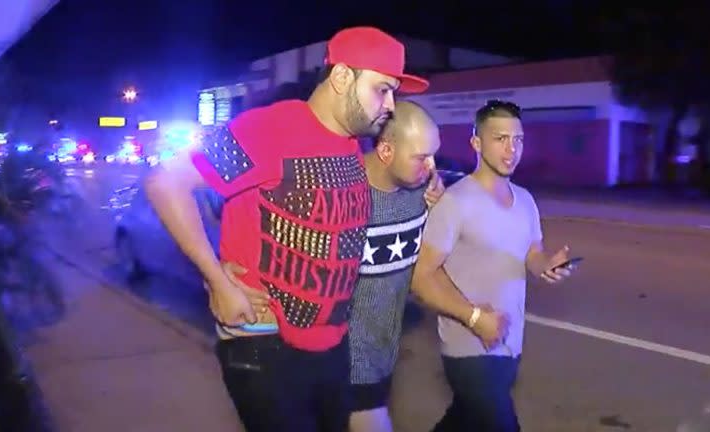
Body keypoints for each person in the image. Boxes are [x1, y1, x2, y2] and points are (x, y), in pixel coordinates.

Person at [144, 26, 428, 432]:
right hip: (266, 347)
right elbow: (167, 185)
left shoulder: (350, 146)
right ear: (343, 77)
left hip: (331, 347)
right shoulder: (267, 129)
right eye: (382, 89)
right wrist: (217, 278)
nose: (391, 105)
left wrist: (422, 185)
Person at [411, 100, 576, 432]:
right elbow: (421, 276)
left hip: (509, 344)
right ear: (476, 143)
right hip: (470, 349)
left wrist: (546, 264)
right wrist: (475, 318)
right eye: (500, 138)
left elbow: (532, 251)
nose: (511, 149)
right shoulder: (455, 202)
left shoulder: (526, 200)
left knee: (463, 422)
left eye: (518, 139)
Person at [347, 100, 443, 432]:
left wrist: (437, 212)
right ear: (386, 151)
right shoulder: (343, 193)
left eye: (434, 155)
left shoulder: (420, 193)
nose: (432, 166)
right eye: (421, 157)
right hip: (339, 364)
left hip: (384, 359)